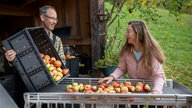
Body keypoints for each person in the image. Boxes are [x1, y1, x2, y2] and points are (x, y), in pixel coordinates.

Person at [3, 5, 67, 108]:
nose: (55, 21)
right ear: (42, 17)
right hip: (29, 86)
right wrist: (10, 59)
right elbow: (17, 64)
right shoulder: (26, 38)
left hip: (50, 86)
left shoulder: (57, 40)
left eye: (56, 19)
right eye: (52, 18)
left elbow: (63, 63)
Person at [99, 20, 166, 107]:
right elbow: (122, 68)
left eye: (128, 31)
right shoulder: (127, 50)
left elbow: (159, 75)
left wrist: (156, 91)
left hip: (150, 91)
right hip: (134, 90)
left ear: (138, 33)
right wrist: (111, 76)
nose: (126, 34)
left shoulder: (151, 52)